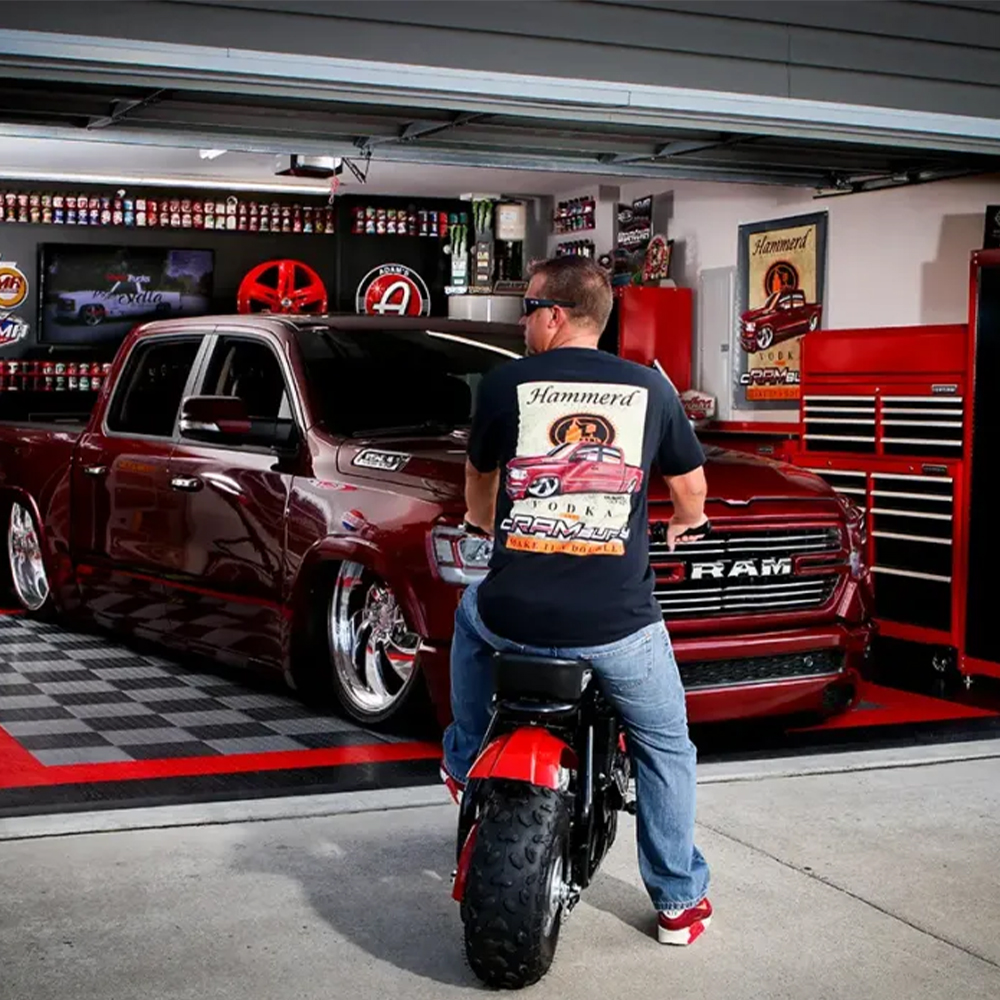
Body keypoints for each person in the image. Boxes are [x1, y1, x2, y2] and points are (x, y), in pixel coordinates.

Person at [441, 255, 713, 946]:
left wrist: (481, 520)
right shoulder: (652, 389)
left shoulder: (506, 385)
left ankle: (464, 754)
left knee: (468, 621)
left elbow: (480, 479)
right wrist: (683, 523)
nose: (523, 321)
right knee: (666, 748)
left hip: (514, 617)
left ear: (554, 315)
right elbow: (691, 493)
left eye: (527, 307)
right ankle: (679, 903)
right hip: (616, 626)